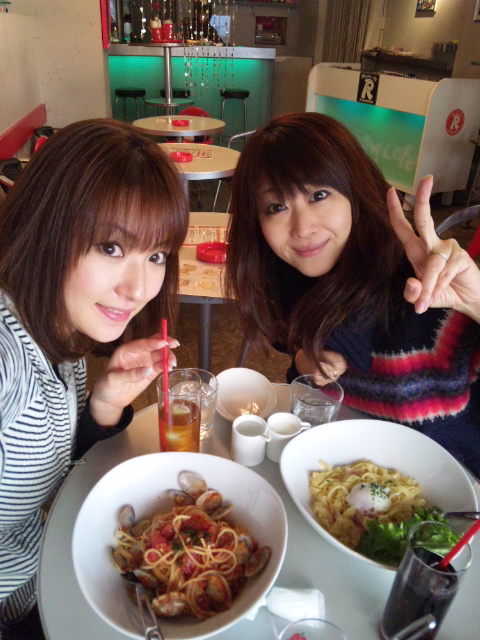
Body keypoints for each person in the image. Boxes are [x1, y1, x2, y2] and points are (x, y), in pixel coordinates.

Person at [0, 119, 189, 638]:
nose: (138, 288)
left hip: (41, 579)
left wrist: (102, 406)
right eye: (111, 247)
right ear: (47, 225)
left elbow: (54, 472)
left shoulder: (63, 336)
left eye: (156, 256)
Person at [225, 112, 480, 476]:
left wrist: (475, 303)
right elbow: (311, 378)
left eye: (318, 195)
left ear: (354, 190)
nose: (302, 228)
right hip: (341, 481)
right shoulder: (287, 283)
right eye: (276, 207)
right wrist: (305, 362)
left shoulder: (426, 285)